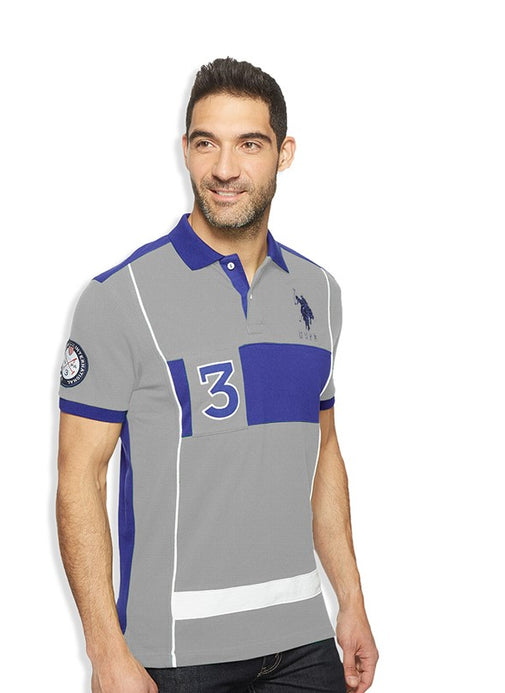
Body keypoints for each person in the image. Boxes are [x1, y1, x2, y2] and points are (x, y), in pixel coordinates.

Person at [56, 57, 378, 693]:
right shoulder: (119, 299)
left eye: (249, 145)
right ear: (185, 150)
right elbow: (79, 480)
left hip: (305, 646)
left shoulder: (319, 292)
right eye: (207, 144)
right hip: (176, 657)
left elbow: (325, 453)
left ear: (284, 153)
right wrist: (106, 651)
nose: (225, 169)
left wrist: (351, 600)